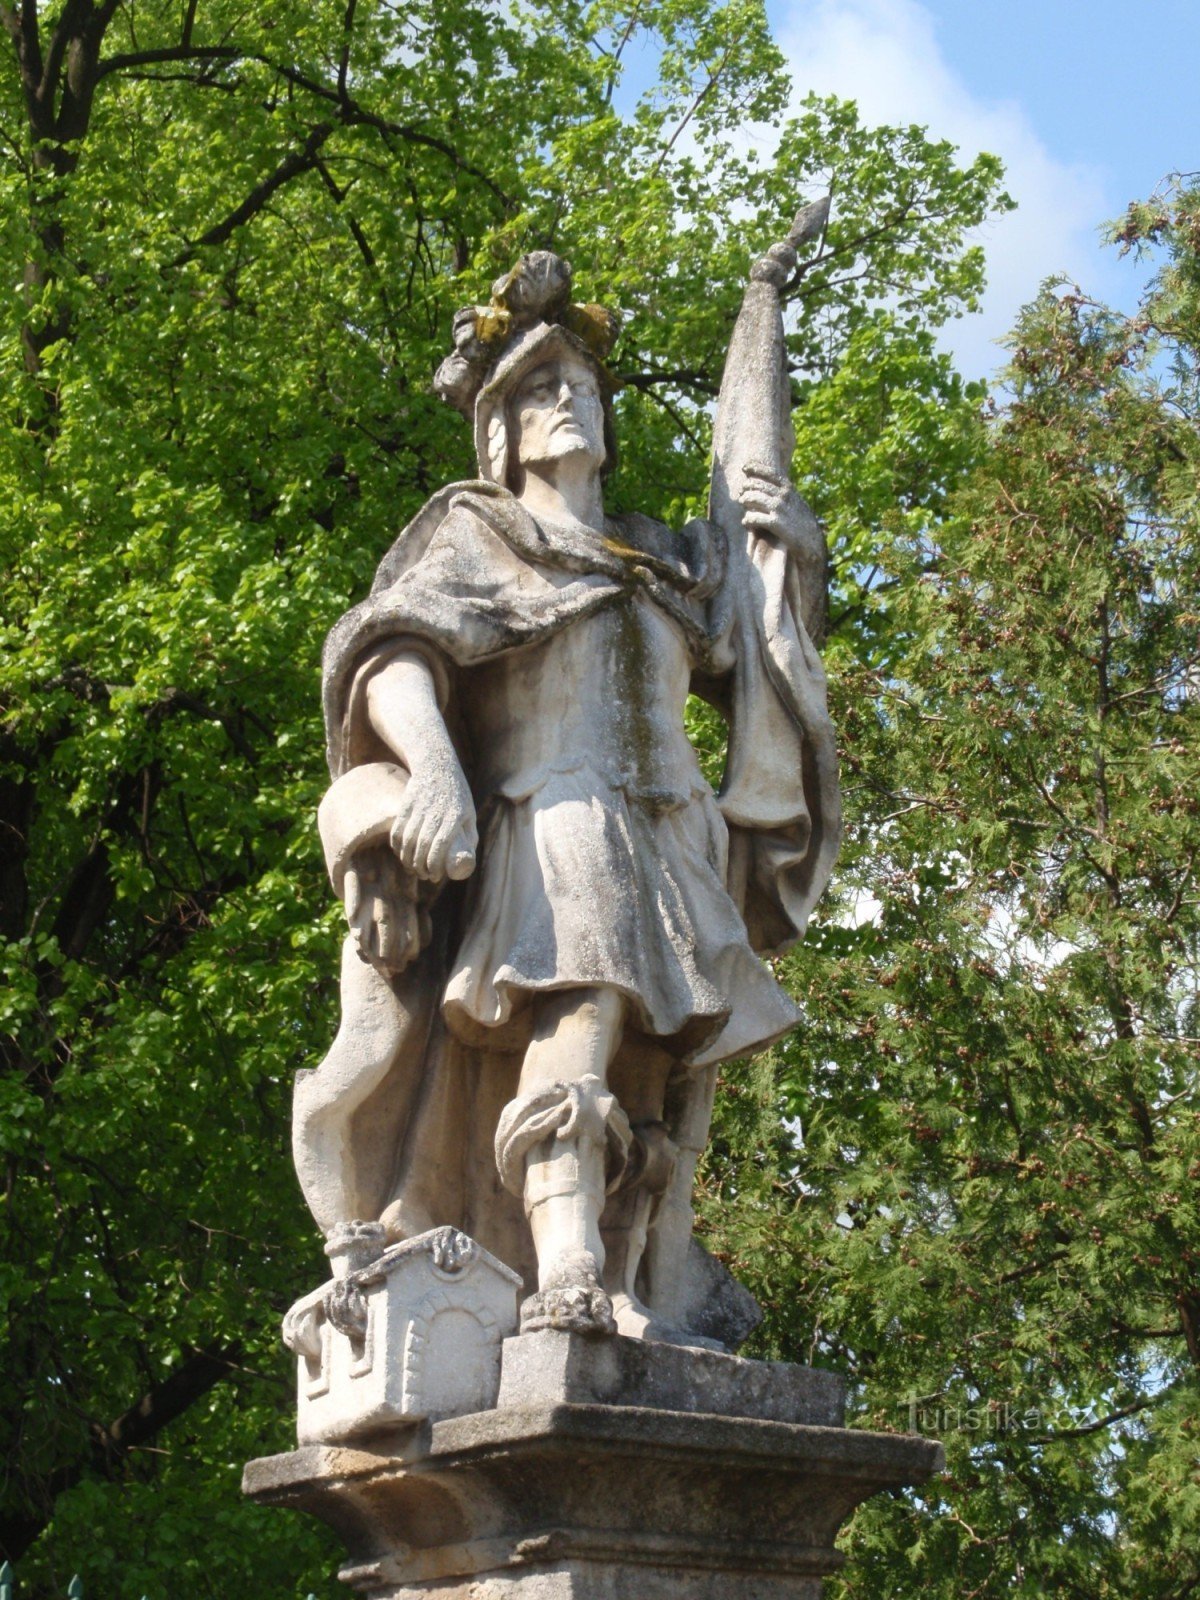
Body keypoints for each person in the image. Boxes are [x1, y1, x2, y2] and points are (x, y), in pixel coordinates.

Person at [295, 250, 840, 1342]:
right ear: (500, 432)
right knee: (582, 1012)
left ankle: (631, 1284)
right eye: (540, 388)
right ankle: (568, 1273)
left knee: (657, 1078)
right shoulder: (481, 534)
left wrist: (797, 548)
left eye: (581, 385)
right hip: (558, 814)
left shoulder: (662, 560)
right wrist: (434, 769)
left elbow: (757, 632)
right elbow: (391, 654)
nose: (568, 400)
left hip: (674, 831)